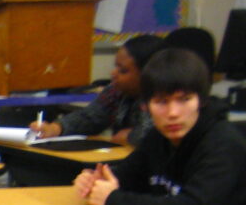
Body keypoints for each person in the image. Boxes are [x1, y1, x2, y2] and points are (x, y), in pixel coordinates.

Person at [73, 48, 246, 205]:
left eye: (184, 99)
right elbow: (127, 175)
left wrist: (112, 199)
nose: (173, 113)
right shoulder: (157, 137)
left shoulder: (223, 144)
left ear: (201, 101)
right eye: (161, 102)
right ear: (145, 106)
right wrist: (97, 180)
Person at [30, 35, 166, 146]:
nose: (114, 73)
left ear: (147, 73)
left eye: (123, 70)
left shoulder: (164, 98)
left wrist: (131, 137)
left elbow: (154, 134)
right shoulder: (116, 90)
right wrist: (56, 128)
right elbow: (90, 117)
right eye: (116, 67)